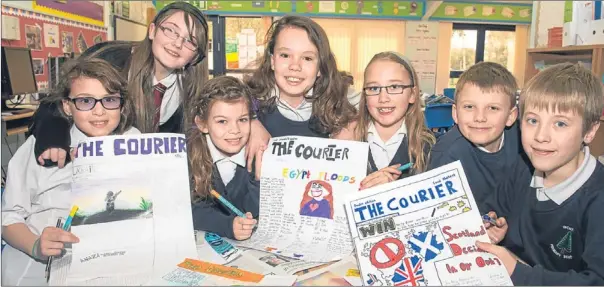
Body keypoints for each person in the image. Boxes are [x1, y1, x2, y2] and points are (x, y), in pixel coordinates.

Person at [1, 58, 139, 286]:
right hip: (39, 260)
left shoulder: (134, 141)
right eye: (85, 101)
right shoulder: (42, 147)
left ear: (122, 105)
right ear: (67, 106)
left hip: (110, 260)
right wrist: (36, 246)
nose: (99, 111)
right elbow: (8, 217)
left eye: (110, 100)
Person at [30, 2, 209, 167]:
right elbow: (57, 102)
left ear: (196, 56)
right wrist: (55, 140)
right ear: (152, 30)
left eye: (191, 40)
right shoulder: (107, 58)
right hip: (91, 169)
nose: (177, 43)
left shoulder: (192, 91)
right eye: (171, 30)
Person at [477, 63, 604, 285]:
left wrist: (518, 272)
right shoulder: (522, 167)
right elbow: (491, 211)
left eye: (560, 123)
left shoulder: (601, 199)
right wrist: (490, 225)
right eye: (533, 120)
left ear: (589, 131)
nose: (541, 136)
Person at [428, 62, 527, 210]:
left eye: (493, 108)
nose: (480, 117)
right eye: (469, 107)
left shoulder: (524, 141)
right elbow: (439, 214)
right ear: (455, 113)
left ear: (511, 116)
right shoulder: (446, 155)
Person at [245, 15, 358, 139]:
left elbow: (374, 103)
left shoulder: (340, 101)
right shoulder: (248, 102)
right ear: (272, 61)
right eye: (285, 55)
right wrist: (250, 122)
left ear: (320, 67)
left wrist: (351, 124)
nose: (295, 66)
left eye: (307, 58)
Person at [187, 76, 263, 241]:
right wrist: (228, 226)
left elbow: (254, 211)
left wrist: (258, 180)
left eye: (242, 120)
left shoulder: (259, 154)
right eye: (222, 121)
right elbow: (192, 210)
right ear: (202, 124)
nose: (234, 130)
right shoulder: (190, 155)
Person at [355, 52, 435, 190]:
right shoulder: (348, 140)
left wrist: (396, 191)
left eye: (394, 87)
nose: (383, 98)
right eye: (374, 88)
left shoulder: (429, 147)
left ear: (412, 94)